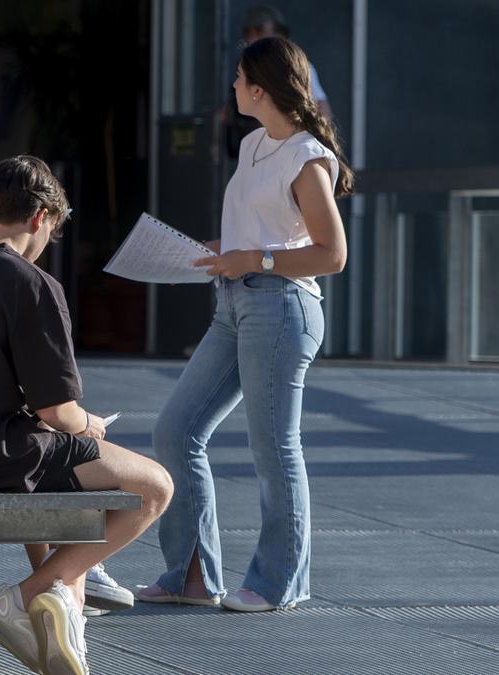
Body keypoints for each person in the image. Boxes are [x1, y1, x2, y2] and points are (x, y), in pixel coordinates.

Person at [0, 156, 174, 674]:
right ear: (40, 217)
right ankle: (28, 595)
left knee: (63, 476)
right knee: (153, 487)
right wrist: (90, 426)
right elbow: (60, 412)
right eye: (52, 232)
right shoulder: (31, 282)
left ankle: (63, 615)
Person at [138, 36, 353, 613]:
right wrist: (224, 248)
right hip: (234, 304)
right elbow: (267, 231)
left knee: (274, 448)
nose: (231, 87)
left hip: (282, 309)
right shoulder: (253, 143)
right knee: (174, 431)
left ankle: (278, 583)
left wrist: (253, 259)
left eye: (238, 78)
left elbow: (332, 255)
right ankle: (191, 576)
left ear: (261, 88)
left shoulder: (308, 157)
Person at [223, 5, 333, 159]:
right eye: (249, 32)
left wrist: (314, 145)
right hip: (251, 152)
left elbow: (322, 109)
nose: (252, 39)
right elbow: (229, 112)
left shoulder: (295, 67)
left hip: (285, 154)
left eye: (260, 31)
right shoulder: (248, 68)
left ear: (280, 35)